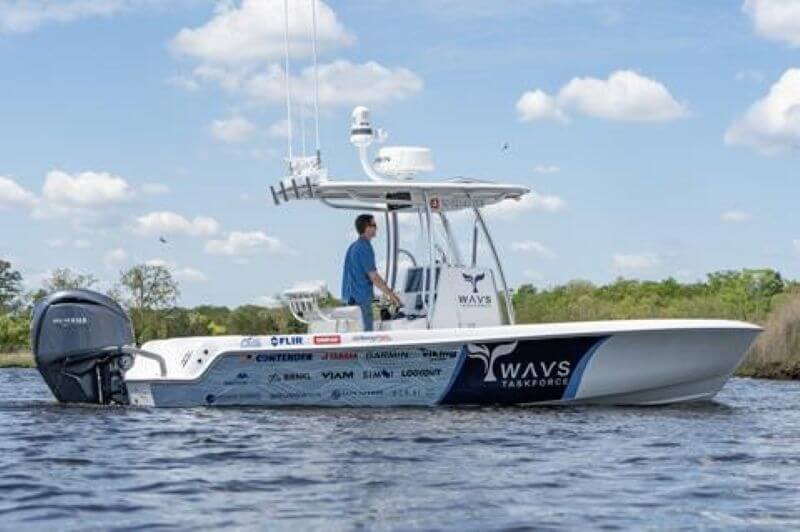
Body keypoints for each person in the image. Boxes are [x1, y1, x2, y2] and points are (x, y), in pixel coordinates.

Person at [342, 214, 402, 331]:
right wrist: (393, 297)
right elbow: (374, 277)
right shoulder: (364, 247)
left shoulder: (352, 247)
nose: (376, 228)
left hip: (351, 302)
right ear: (366, 227)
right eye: (374, 225)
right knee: (366, 336)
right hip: (362, 302)